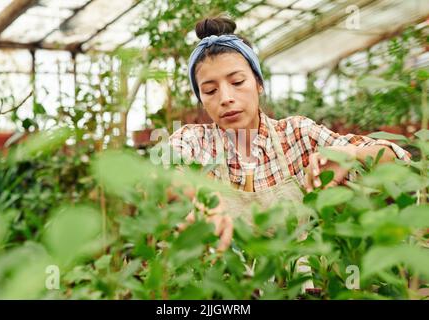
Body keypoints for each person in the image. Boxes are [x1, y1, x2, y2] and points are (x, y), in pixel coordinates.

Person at [168, 16, 411, 252]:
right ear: (201, 100)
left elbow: (398, 159)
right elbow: (157, 181)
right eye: (210, 91)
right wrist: (200, 194)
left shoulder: (298, 134)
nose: (226, 98)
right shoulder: (192, 141)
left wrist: (349, 153)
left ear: (258, 83)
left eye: (238, 82)